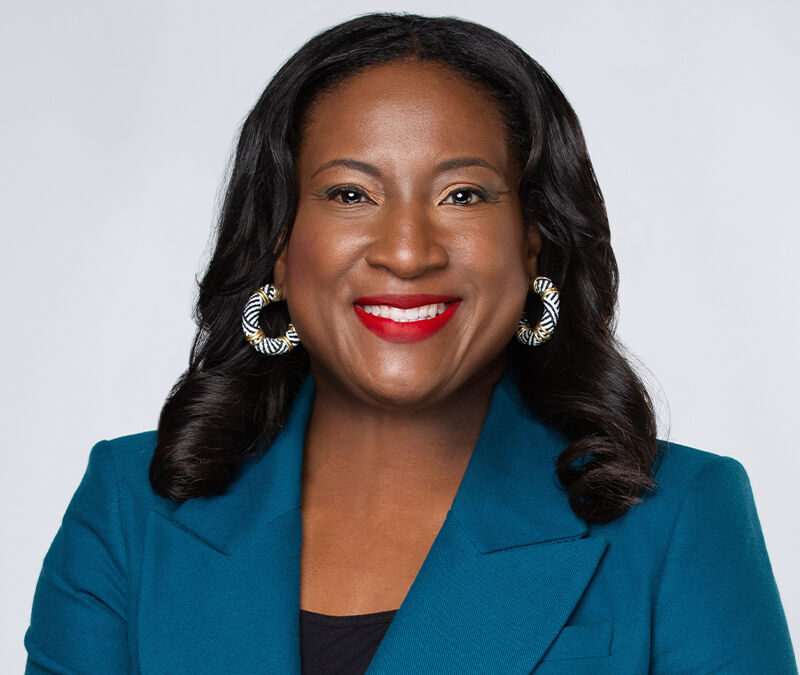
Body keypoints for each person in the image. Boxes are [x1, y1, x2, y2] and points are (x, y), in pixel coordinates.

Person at [25, 12, 796, 674]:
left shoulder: (680, 518)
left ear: (533, 245)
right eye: (349, 193)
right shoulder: (131, 508)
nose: (406, 249)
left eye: (463, 194)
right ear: (280, 247)